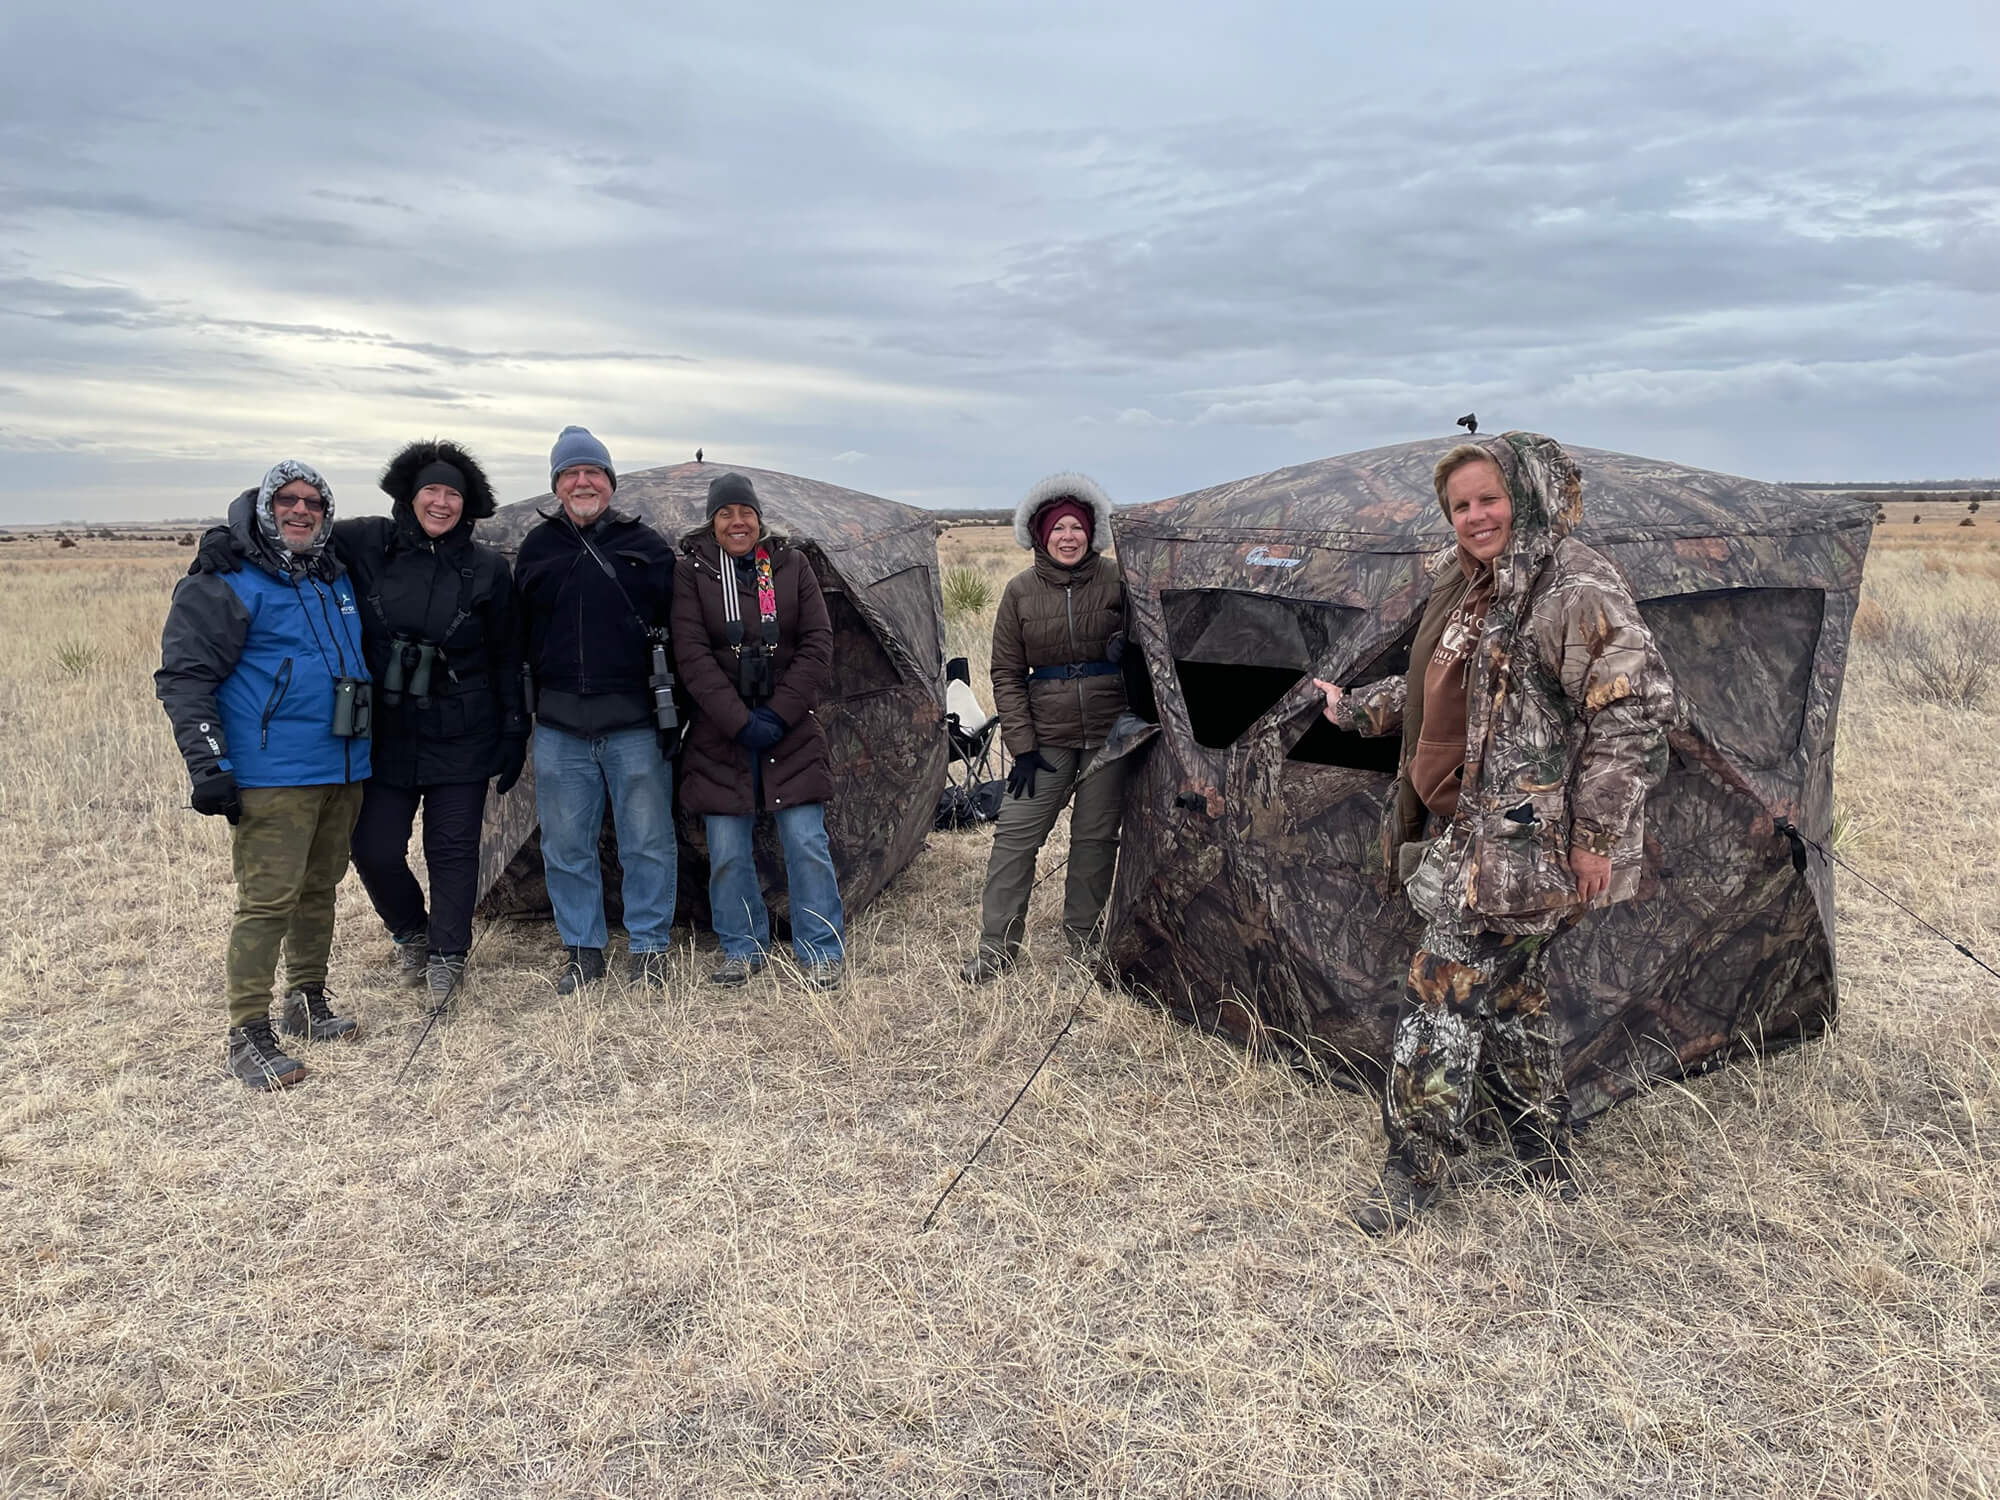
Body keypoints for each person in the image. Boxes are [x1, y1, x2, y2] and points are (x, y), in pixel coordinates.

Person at [1314, 432, 1677, 1234]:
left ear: (1528, 495)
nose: (1476, 516)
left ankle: (1414, 1170)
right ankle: (1544, 1154)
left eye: (1490, 498)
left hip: (1525, 846)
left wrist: (1596, 836)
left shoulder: (1571, 587)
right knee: (1511, 1002)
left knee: (1439, 994)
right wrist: (1357, 709)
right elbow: (1443, 695)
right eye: (1461, 506)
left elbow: (1635, 711)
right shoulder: (1474, 586)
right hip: (1468, 832)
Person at [191, 442, 529, 1012]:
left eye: (453, 494)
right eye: (431, 491)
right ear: (408, 496)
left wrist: (514, 728)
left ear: (467, 505)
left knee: (453, 851)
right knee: (372, 849)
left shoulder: (488, 569)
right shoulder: (366, 541)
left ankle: (448, 955)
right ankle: (410, 932)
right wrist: (227, 538)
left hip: (463, 730)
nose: (441, 503)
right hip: (385, 731)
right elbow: (292, 534)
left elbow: (507, 655)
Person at [157, 460, 371, 1090]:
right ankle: (247, 1032)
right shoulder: (225, 578)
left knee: (320, 888)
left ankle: (306, 1000)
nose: (300, 511)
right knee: (267, 900)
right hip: (272, 772)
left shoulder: (331, 575)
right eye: (287, 500)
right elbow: (184, 677)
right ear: (262, 508)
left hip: (343, 764)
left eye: (313, 502)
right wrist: (209, 763)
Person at [515, 426, 680, 994]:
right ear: (557, 485)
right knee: (565, 846)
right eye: (571, 474)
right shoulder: (536, 550)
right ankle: (583, 950)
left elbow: (680, 632)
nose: (583, 482)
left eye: (593, 473)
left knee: (648, 842)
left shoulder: (649, 547)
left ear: (609, 483)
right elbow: (519, 636)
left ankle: (650, 947)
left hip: (634, 722)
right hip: (560, 726)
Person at [672, 472, 845, 989]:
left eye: (745, 512)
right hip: (719, 734)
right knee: (726, 849)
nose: (737, 521)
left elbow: (818, 643)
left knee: (805, 839)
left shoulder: (791, 566)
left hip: (788, 729)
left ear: (759, 518)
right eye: (725, 513)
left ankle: (821, 948)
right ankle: (742, 947)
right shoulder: (693, 573)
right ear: (712, 521)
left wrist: (777, 714)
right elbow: (691, 654)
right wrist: (738, 720)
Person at [961, 472, 1128, 983]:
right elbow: (1006, 675)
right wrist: (1023, 748)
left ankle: (1082, 945)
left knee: (1095, 841)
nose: (1069, 536)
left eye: (1077, 527)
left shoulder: (1120, 581)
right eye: (1059, 528)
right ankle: (996, 948)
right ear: (1041, 534)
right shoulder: (1019, 592)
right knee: (1014, 837)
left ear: (1091, 532)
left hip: (1109, 736)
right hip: (1045, 740)